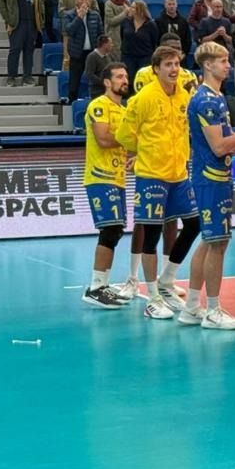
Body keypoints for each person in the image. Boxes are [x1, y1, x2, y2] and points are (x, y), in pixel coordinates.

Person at [114, 45, 203, 320]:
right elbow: (124, 135)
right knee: (151, 234)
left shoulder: (184, 96)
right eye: (168, 65)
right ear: (156, 69)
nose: (174, 69)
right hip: (152, 175)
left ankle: (167, 279)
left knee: (193, 224)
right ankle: (152, 297)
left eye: (177, 64)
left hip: (179, 174)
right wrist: (146, 150)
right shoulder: (143, 98)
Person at [176, 42, 235, 330]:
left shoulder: (217, 97)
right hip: (210, 177)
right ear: (208, 65)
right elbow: (219, 146)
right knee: (218, 242)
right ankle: (213, 309)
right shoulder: (206, 100)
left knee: (211, 239)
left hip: (217, 176)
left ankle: (193, 306)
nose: (228, 65)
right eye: (222, 60)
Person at [80, 62, 133, 308]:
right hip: (100, 176)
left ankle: (102, 284)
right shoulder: (98, 106)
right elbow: (103, 139)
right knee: (110, 230)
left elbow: (127, 144)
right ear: (107, 82)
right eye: (119, 77)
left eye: (126, 76)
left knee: (116, 230)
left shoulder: (124, 110)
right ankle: (95, 288)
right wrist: (133, 140)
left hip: (118, 177)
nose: (125, 80)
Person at [0, 0, 44, 87]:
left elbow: (40, 1)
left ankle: (27, 76)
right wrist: (7, 17)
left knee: (29, 50)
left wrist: (40, 19)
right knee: (15, 49)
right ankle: (11, 77)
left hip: (32, 22)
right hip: (17, 22)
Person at [65, 0, 102, 101]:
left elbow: (101, 33)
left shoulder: (95, 15)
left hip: (92, 53)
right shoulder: (69, 15)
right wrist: (79, 17)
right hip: (77, 53)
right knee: (74, 81)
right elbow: (69, 31)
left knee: (96, 79)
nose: (84, 1)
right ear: (76, 1)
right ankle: (72, 101)